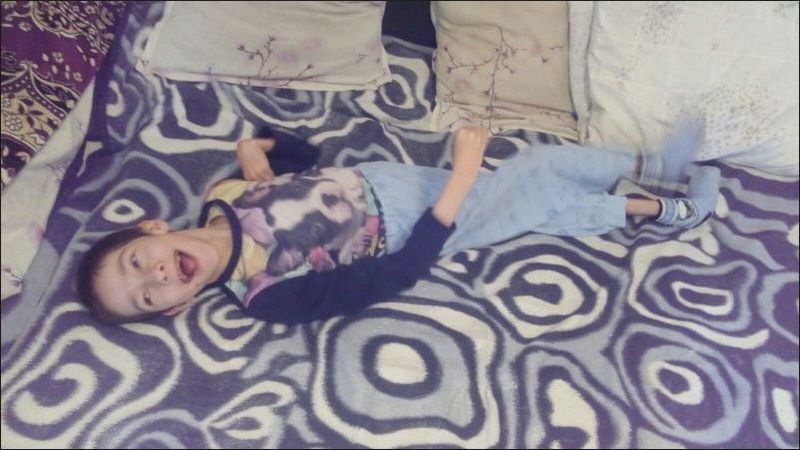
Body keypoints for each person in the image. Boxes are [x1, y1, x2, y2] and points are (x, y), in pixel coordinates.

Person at [77, 125, 721, 325]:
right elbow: (396, 275)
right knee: (539, 169)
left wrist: (260, 149)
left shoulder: (221, 195)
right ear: (177, 307)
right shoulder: (265, 294)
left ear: (152, 229)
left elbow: (307, 164)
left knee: (534, 205)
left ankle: (668, 210)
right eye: (148, 297)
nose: (156, 277)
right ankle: (664, 168)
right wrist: (462, 178)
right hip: (422, 225)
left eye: (137, 264)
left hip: (392, 179)